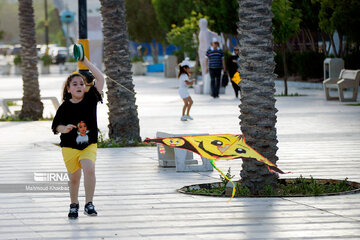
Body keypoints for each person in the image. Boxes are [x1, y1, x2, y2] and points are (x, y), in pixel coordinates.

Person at [51, 56, 104, 219]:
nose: (79, 86)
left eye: (81, 83)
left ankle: (89, 203)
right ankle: (74, 204)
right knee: (74, 179)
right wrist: (64, 129)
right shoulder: (65, 106)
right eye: (75, 84)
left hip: (89, 144)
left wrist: (86, 63)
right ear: (68, 89)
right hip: (69, 147)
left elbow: (101, 78)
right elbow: (55, 126)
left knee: (89, 169)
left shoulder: (91, 99)